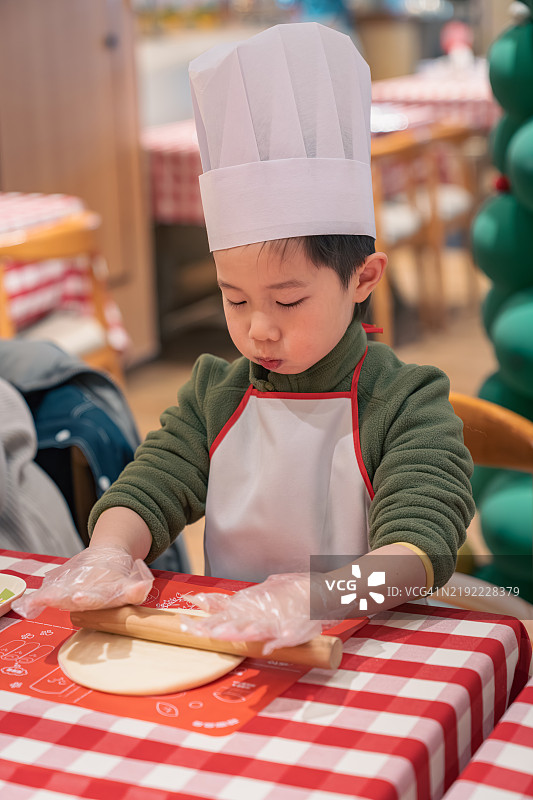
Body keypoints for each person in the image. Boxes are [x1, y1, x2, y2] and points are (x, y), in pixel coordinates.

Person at [13, 23, 475, 652]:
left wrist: (316, 600)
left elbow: (422, 548)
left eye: (288, 300)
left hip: (368, 645)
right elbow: (151, 483)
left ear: (362, 278)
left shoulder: (405, 401)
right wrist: (109, 552)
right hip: (231, 644)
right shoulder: (217, 392)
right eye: (234, 298)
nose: (258, 327)